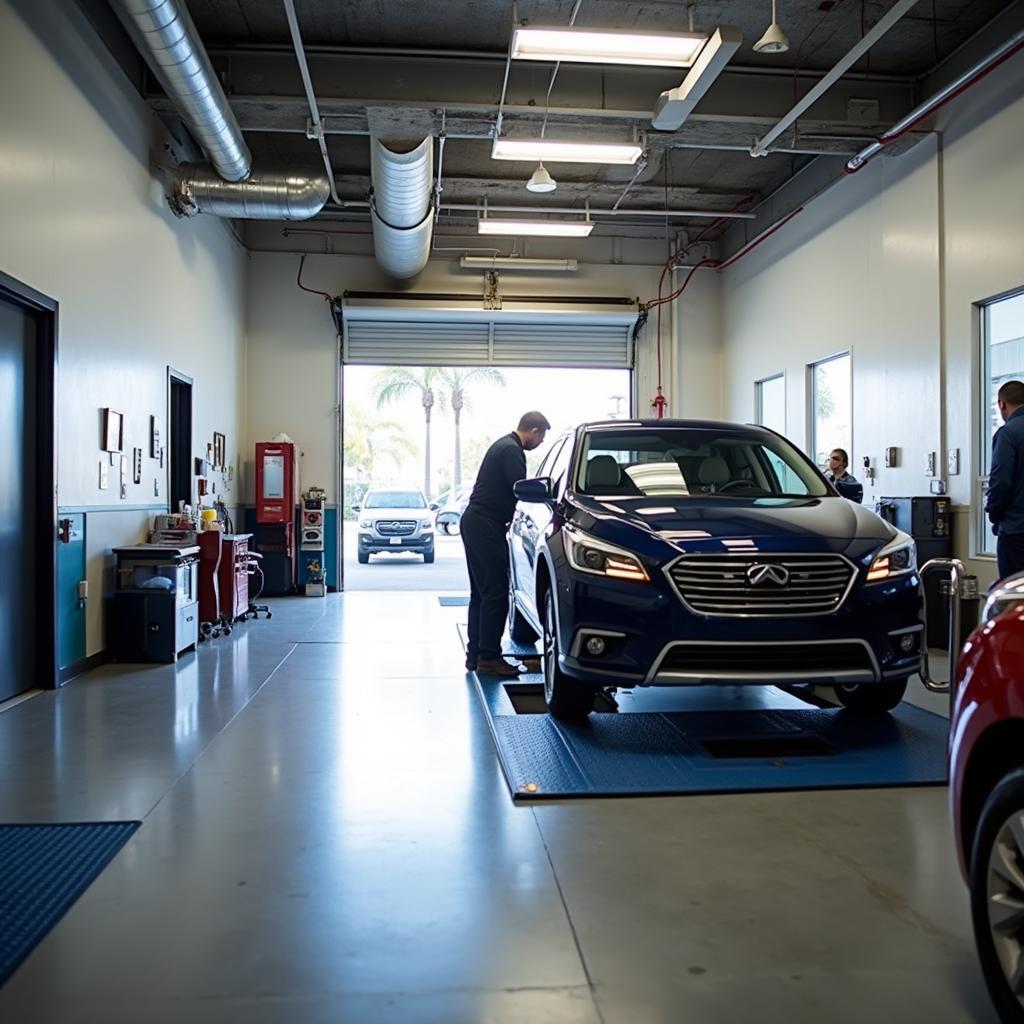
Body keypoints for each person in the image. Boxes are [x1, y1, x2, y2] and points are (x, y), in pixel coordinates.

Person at [461, 411, 550, 676]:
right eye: (542, 436)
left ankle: (475, 654)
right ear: (533, 431)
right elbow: (520, 488)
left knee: (481, 593)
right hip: (485, 524)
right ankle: (489, 658)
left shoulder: (502, 444)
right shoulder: (512, 450)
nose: (541, 442)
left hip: (476, 522)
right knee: (496, 593)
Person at [986, 379, 1024, 581]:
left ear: (1001, 404)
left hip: (1016, 531)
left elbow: (1001, 482)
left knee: (1013, 595)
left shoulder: (1008, 434)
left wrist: (994, 513)